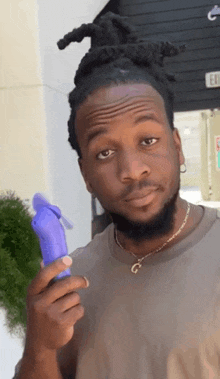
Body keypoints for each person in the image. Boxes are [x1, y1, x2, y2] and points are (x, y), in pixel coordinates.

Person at [12, 12, 220, 379]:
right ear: (85, 176)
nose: (131, 170)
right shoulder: (71, 278)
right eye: (105, 153)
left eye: (148, 140)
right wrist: (40, 348)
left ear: (177, 147)